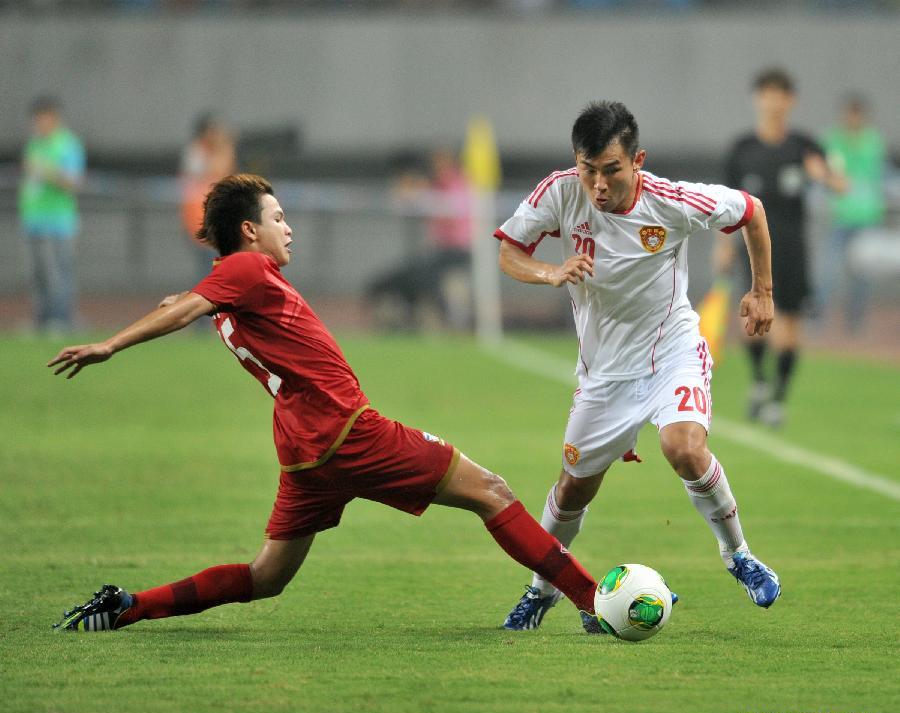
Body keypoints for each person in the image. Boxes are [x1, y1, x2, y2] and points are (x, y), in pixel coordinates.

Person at [49, 174, 602, 633]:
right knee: (492, 491)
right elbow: (188, 307)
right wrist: (111, 343)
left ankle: (128, 606)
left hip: (305, 451)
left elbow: (196, 303)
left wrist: (187, 303)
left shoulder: (233, 284)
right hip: (348, 431)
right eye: (278, 218)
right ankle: (594, 602)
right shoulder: (243, 269)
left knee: (266, 577)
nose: (288, 228)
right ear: (249, 230)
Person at [494, 101, 780, 632]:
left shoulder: (672, 201)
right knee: (573, 488)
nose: (597, 185)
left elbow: (752, 210)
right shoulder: (559, 191)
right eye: (588, 169)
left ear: (637, 161)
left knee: (684, 447)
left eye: (611, 170)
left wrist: (762, 292)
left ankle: (738, 555)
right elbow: (509, 252)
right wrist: (549, 272)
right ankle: (542, 590)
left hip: (670, 351)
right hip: (603, 373)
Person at [715, 69, 844, 428]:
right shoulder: (742, 150)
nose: (772, 102)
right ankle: (758, 380)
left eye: (780, 95)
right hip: (750, 248)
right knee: (752, 318)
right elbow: (724, 205)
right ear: (757, 99)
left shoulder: (805, 146)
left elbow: (841, 185)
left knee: (789, 321)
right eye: (766, 94)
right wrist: (723, 247)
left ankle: (778, 398)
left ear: (791, 100)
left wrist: (825, 176)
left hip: (791, 247)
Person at [368, 148, 473, 331]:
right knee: (411, 275)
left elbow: (450, 213)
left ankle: (449, 319)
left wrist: (424, 198)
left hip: (457, 251)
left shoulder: (459, 184)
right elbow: (403, 201)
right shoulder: (433, 186)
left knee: (426, 277)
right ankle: (414, 317)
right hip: (438, 251)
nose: (438, 167)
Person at [817, 93, 887, 332]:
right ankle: (818, 318)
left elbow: (878, 177)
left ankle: (855, 321)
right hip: (840, 217)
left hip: (867, 218)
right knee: (828, 270)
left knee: (862, 275)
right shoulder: (833, 141)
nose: (853, 118)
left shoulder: (873, 141)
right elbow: (826, 174)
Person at [19, 95, 85, 332]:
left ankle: (62, 319)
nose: (39, 123)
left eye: (43, 118)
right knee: (37, 274)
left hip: (59, 221)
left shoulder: (67, 144)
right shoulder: (34, 143)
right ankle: (41, 319)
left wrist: (48, 172)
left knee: (59, 273)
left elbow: (74, 182)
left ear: (54, 118)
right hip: (33, 219)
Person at [180, 112, 237, 283]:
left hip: (216, 218)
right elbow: (214, 171)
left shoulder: (213, 151)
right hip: (201, 219)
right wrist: (225, 145)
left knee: (218, 268)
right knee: (212, 272)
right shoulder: (197, 152)